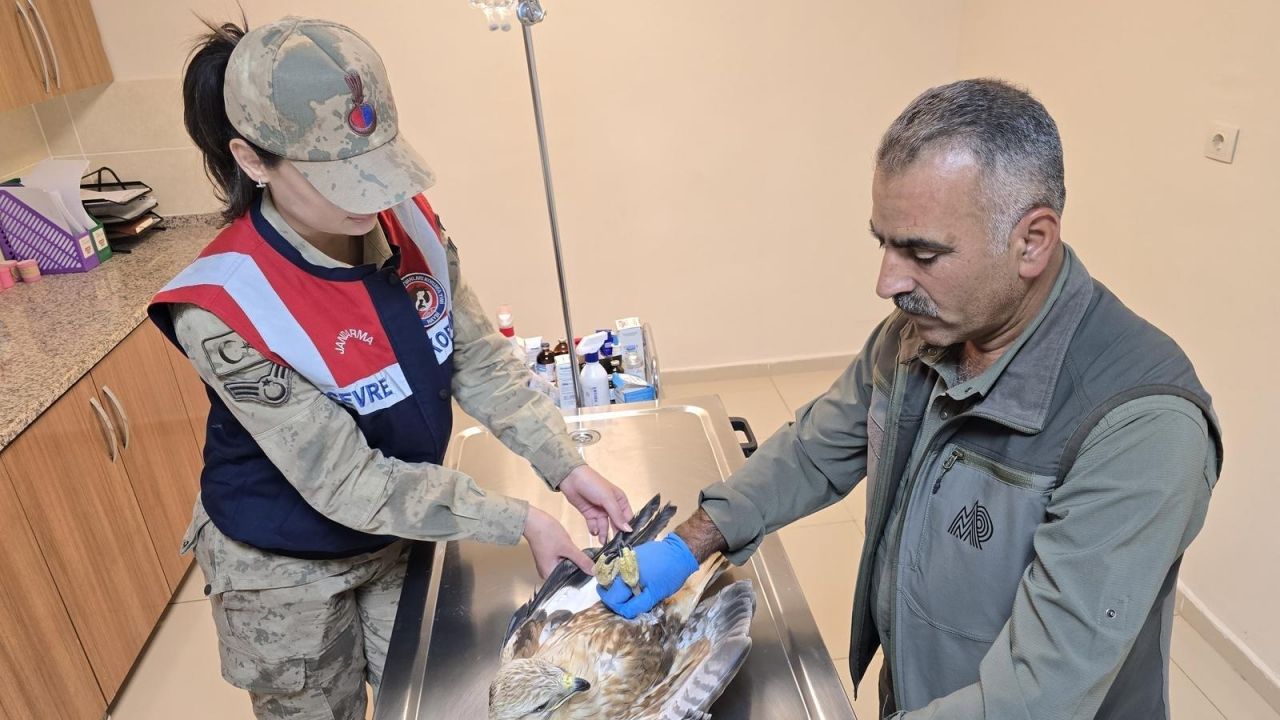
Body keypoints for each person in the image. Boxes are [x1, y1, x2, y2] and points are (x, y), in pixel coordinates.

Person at [597, 79, 1223, 719]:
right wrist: (689, 543)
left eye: (922, 253)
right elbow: (814, 453)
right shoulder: (918, 337)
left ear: (1032, 242)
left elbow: (1036, 696)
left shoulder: (1141, 425)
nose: (887, 281)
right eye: (885, 243)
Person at [148, 17, 634, 719]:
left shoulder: (408, 225)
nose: (367, 195)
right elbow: (345, 480)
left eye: (373, 165)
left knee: (439, 699)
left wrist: (565, 465)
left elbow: (475, 357)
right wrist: (516, 518)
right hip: (284, 567)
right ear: (252, 161)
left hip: (401, 529)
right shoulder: (226, 305)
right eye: (334, 177)